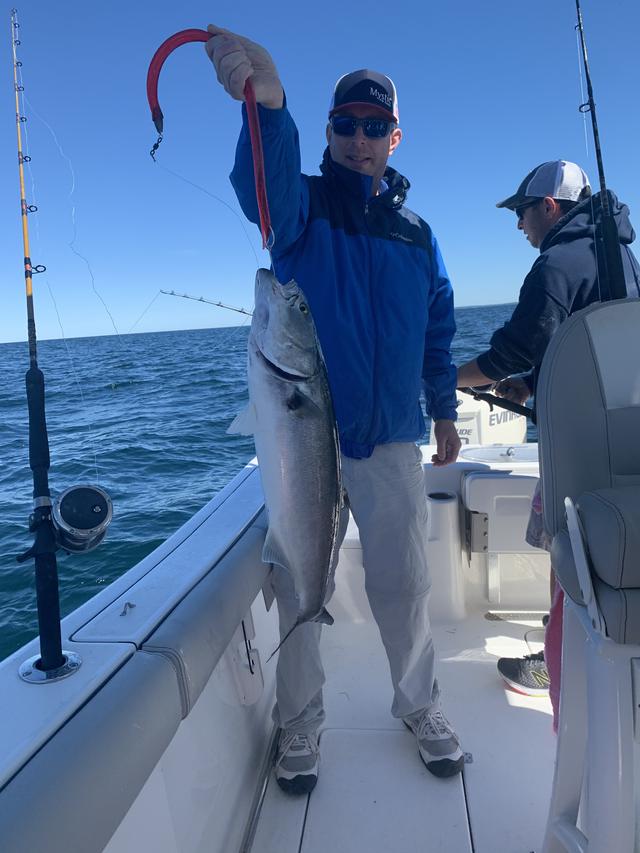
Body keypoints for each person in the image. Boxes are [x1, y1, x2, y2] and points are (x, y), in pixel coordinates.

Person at [205, 25, 463, 793]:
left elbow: (439, 329)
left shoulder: (419, 235)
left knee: (405, 583)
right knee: (299, 580)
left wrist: (444, 410)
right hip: (309, 440)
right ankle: (300, 719)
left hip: (392, 441)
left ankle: (419, 703)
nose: (359, 139)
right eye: (346, 124)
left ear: (395, 137)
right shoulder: (303, 211)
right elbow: (261, 185)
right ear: (328, 131)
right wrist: (270, 106)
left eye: (374, 126)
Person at [457, 160, 640, 727]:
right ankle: (596, 657)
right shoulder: (621, 256)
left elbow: (515, 346)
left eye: (522, 211)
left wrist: (449, 377)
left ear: (550, 208)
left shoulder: (556, 263)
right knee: (610, 558)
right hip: (624, 438)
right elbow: (593, 345)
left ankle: (560, 664)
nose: (519, 225)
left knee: (569, 554)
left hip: (578, 448)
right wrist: (533, 384)